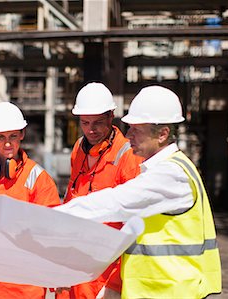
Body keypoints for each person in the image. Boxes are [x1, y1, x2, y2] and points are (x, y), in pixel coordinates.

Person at [55, 85, 222, 299]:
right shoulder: (169, 168)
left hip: (170, 291)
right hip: (157, 289)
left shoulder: (170, 175)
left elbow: (115, 203)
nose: (128, 135)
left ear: (162, 134)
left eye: (137, 130)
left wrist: (54, 216)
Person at [57, 82, 143, 299]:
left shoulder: (128, 157)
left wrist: (114, 284)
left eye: (97, 123)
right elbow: (72, 199)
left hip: (105, 273)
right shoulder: (79, 149)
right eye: (85, 123)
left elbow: (134, 228)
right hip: (75, 265)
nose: (90, 130)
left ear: (111, 116)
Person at [0, 102, 61, 299]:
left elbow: (52, 231)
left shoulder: (38, 178)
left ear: (22, 134)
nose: (8, 144)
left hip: (25, 286)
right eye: (1, 137)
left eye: (13, 136)